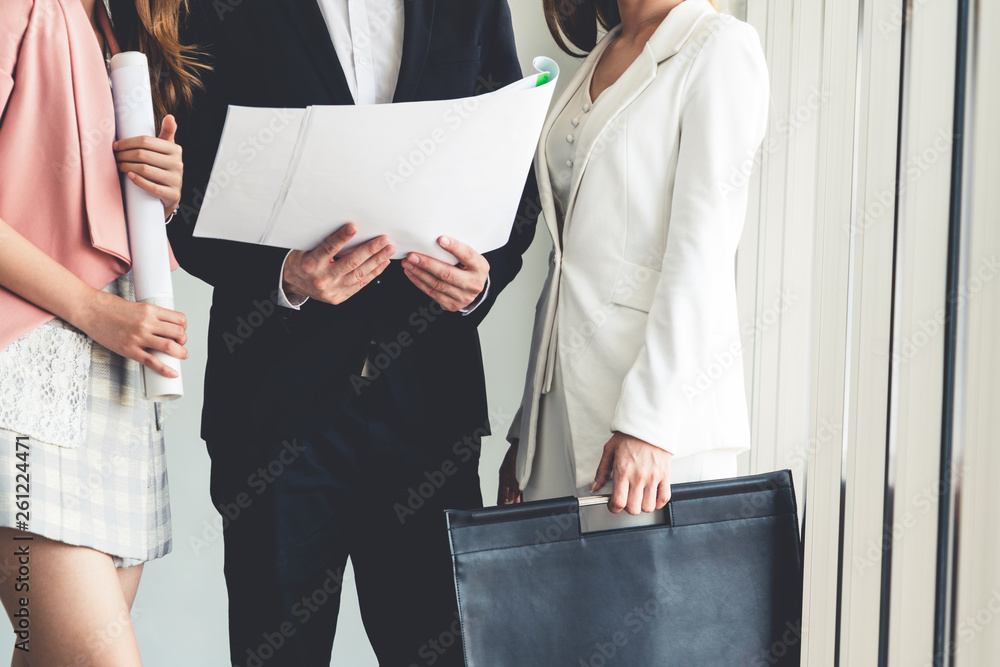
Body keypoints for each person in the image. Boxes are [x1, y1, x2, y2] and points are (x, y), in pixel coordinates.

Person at [169, 1, 538, 665]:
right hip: (273, 416)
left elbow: (516, 179)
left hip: (429, 414)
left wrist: (481, 282)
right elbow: (180, 198)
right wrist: (284, 275)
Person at [499, 0, 769, 529]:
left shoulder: (720, 47)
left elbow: (701, 254)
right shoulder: (604, 51)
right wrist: (526, 429)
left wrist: (650, 423)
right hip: (556, 416)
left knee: (644, 608)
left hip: (650, 422)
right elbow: (570, 261)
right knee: (551, 610)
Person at [0, 0, 201, 664]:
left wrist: (162, 189)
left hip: (117, 383)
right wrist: (92, 310)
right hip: (29, 377)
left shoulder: (115, 22)